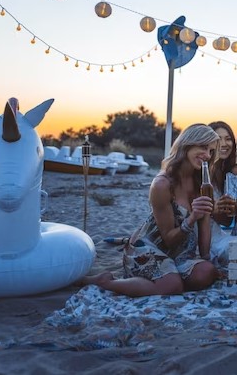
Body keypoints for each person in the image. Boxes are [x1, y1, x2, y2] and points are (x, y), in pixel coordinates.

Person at [81, 124, 220, 296]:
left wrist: (205, 259)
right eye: (203, 147)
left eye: (211, 151)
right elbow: (169, 239)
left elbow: (205, 223)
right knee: (172, 286)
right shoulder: (162, 184)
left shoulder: (202, 182)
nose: (207, 155)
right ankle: (107, 282)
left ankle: (166, 276)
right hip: (149, 247)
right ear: (188, 144)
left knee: (206, 273)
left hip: (181, 253)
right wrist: (192, 218)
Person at [206, 121, 237, 266]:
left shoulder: (226, 173)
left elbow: (225, 221)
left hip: (218, 234)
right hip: (198, 236)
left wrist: (228, 209)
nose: (224, 144)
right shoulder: (200, 171)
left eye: (228, 138)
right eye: (218, 139)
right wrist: (213, 208)